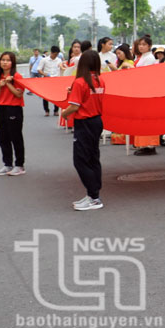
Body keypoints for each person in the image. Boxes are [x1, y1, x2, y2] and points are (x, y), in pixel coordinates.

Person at [61, 50, 105, 211]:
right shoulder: (100, 80)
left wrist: (64, 114)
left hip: (85, 123)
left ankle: (94, 197)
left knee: (80, 161)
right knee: (93, 158)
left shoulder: (80, 82)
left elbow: (74, 106)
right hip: (96, 121)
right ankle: (93, 194)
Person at [0, 51, 25, 176]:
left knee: (15, 137)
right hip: (2, 108)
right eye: (3, 60)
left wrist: (9, 83)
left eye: (8, 60)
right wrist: (0, 86)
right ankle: (7, 164)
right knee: (2, 138)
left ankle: (19, 165)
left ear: (12, 63)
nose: (5, 62)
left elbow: (18, 94)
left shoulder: (17, 76)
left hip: (14, 108)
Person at [131, 36, 160, 156]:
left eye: (144, 44)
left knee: (147, 118)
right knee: (141, 118)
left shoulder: (149, 58)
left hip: (147, 91)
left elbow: (145, 74)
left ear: (149, 46)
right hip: (140, 90)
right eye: (140, 44)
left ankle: (150, 145)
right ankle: (143, 144)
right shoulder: (142, 57)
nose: (141, 46)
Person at [35, 46, 63, 117]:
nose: (56, 56)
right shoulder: (44, 60)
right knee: (45, 96)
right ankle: (46, 110)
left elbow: (61, 69)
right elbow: (39, 69)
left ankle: (56, 110)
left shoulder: (59, 60)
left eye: (57, 54)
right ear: (51, 53)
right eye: (55, 54)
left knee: (57, 96)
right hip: (47, 79)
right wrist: (45, 74)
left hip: (56, 79)